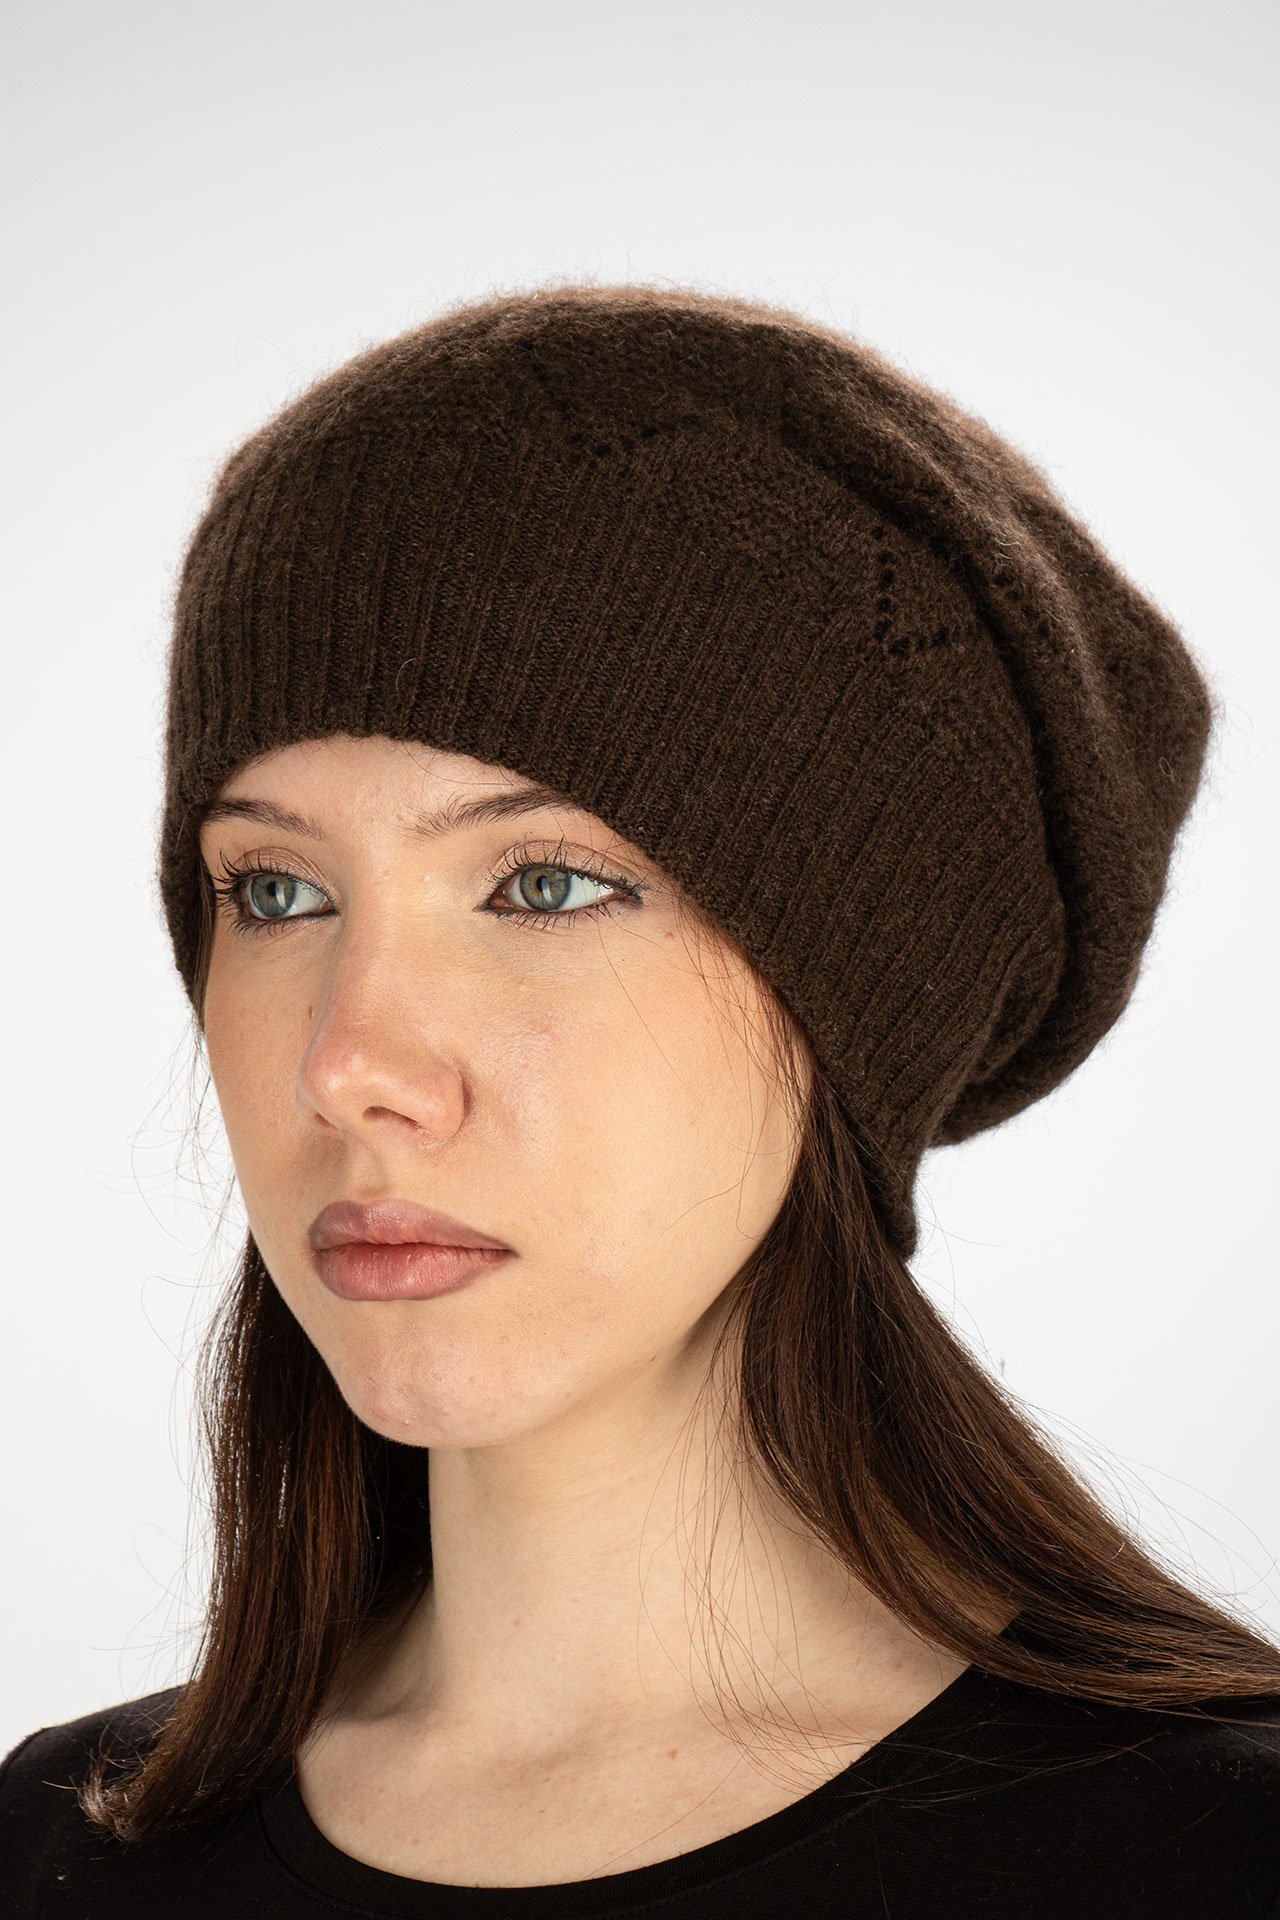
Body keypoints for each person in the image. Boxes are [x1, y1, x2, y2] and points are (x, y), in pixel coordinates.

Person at [2, 281, 1278, 1917]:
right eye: (278, 892)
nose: (348, 1064)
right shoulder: (55, 1844)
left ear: (853, 1002)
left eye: (543, 885)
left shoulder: (1210, 1858)